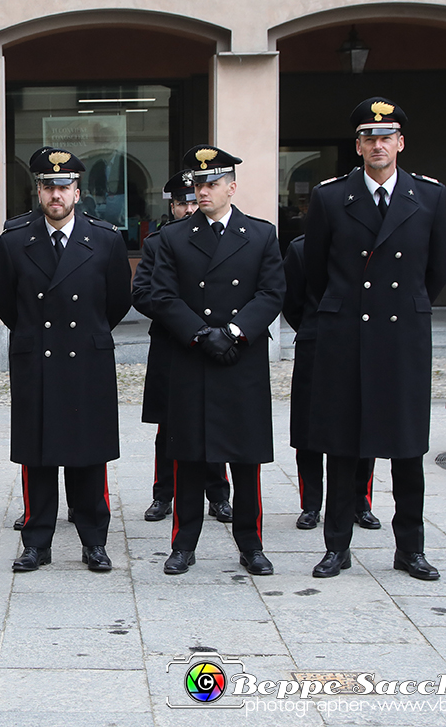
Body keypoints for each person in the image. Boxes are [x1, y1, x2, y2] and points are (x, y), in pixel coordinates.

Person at [304, 97, 446, 580]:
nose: (378, 145)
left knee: (408, 451)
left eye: (386, 137)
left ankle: (410, 548)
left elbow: (436, 272)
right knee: (343, 448)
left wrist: (403, 307)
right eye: (369, 138)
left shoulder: (429, 196)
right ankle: (337, 547)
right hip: (347, 336)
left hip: (402, 339)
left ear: (401, 143)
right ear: (358, 145)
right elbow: (316, 272)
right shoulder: (330, 196)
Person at [0, 147, 131, 573]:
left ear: (78, 191)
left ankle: (94, 542)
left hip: (86, 358)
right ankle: (36, 542)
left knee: (89, 455)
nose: (57, 194)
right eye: (49, 186)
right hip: (38, 359)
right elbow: (4, 302)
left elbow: (118, 302)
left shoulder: (105, 238)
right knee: (37, 456)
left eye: (64, 186)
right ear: (38, 191)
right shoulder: (15, 240)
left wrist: (87, 333)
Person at [147, 145, 285, 576]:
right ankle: (184, 543)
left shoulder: (260, 234)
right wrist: (201, 333)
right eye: (197, 184)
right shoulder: (174, 236)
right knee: (188, 455)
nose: (201, 191)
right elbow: (160, 294)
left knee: (245, 459)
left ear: (232, 187)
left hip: (240, 359)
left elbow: (272, 293)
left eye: (211, 183)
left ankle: (251, 543)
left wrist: (234, 331)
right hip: (193, 357)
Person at [136, 170, 232, 525]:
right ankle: (164, 494)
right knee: (170, 425)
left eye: (194, 200)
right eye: (183, 203)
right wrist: (183, 318)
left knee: (216, 421)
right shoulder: (160, 241)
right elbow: (143, 292)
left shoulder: (225, 235)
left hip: (215, 343)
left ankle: (218, 494)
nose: (190, 208)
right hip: (172, 343)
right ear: (173, 206)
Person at [282, 234, 379, 532]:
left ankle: (360, 501)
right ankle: (311, 504)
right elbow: (292, 302)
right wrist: (314, 329)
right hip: (315, 343)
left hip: (359, 345)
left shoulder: (367, 244)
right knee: (308, 429)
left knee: (361, 427)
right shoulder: (299, 248)